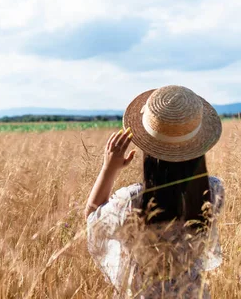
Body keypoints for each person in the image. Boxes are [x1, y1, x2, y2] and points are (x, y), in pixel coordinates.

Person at [84, 85, 225, 298]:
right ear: (198, 145)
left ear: (148, 148)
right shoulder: (214, 190)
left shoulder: (132, 201)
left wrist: (109, 169)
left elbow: (92, 219)